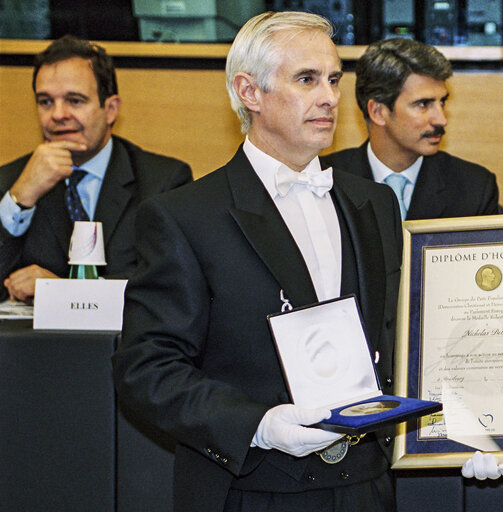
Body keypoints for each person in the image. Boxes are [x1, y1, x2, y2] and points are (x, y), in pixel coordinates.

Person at [112, 12, 403, 512]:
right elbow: (146, 367)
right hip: (253, 490)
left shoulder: (373, 203)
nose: (330, 97)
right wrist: (260, 426)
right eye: (306, 79)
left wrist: (462, 432)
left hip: (365, 488)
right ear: (250, 92)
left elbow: (396, 336)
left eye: (334, 79)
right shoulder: (183, 216)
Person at [0, 35, 192, 302]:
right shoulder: (11, 181)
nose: (57, 114)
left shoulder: (163, 182)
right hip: (37, 344)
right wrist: (20, 199)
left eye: (75, 101)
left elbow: (167, 287)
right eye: (45, 102)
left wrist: (62, 292)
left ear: (111, 109)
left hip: (122, 343)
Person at [320, 37, 500, 220]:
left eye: (442, 102)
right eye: (423, 104)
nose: (441, 120)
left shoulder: (475, 188)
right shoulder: (324, 182)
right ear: (378, 112)